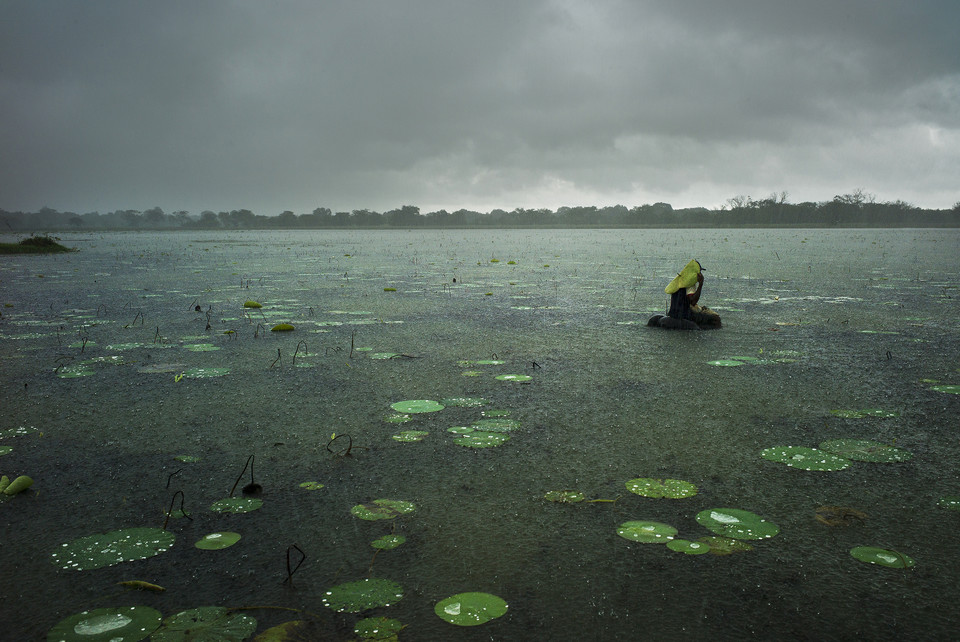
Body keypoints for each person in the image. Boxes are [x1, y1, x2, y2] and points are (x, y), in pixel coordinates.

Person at [648, 259, 722, 330]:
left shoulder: (678, 280)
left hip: (673, 314)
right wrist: (701, 284)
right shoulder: (690, 284)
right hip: (684, 315)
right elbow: (693, 301)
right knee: (715, 319)